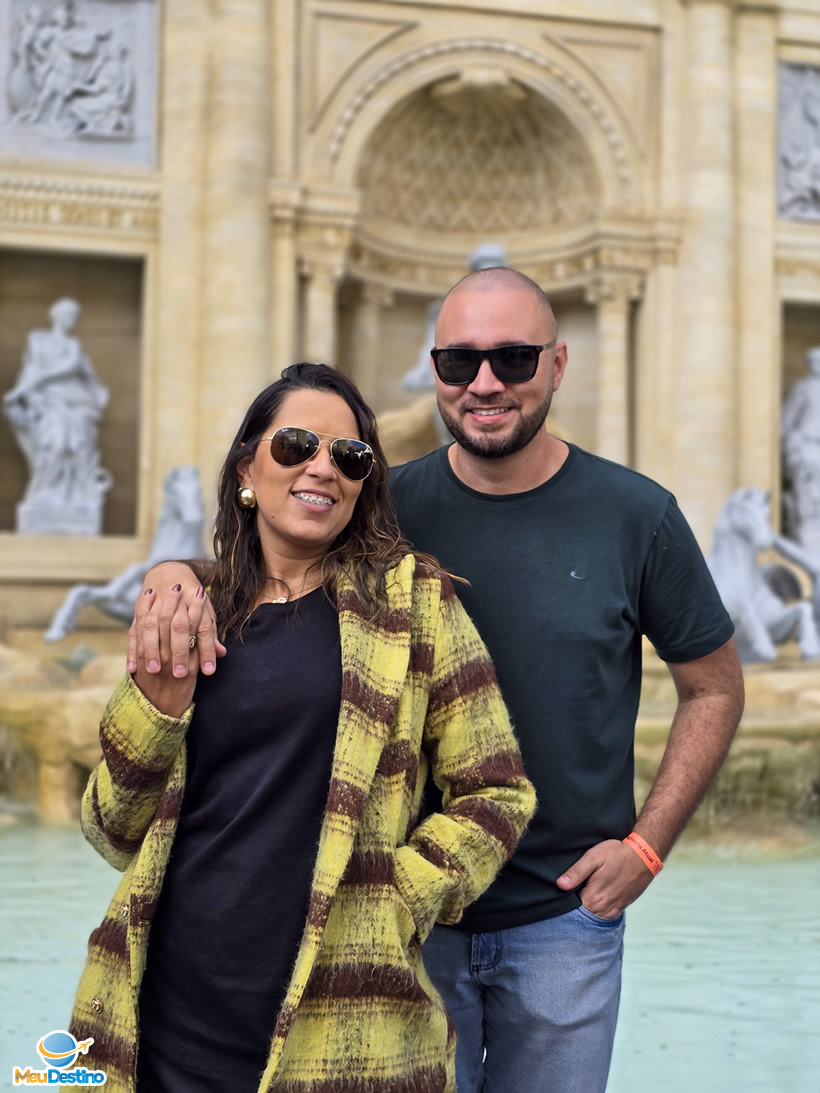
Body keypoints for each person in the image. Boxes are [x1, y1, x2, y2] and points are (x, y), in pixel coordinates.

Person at [129, 270, 745, 1093]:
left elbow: (715, 687)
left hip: (563, 917)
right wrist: (177, 573)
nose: (485, 382)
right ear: (435, 370)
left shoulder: (638, 514)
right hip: (397, 931)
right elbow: (277, 568)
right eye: (460, 361)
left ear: (558, 363)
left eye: (513, 358)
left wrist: (646, 846)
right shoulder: (385, 507)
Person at [70, 362, 535, 1093]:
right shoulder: (192, 609)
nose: (322, 467)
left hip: (347, 1023)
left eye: (349, 456)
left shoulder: (414, 606)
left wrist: (397, 898)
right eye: (295, 445)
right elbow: (111, 830)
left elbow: (497, 791)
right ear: (247, 468)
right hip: (162, 1013)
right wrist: (157, 709)